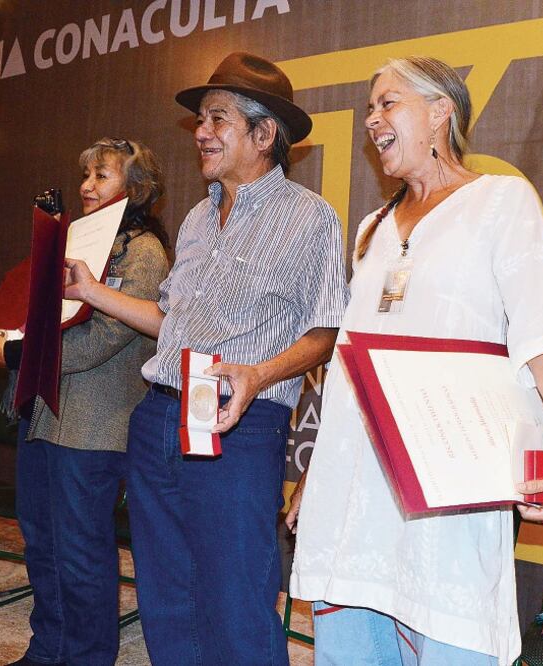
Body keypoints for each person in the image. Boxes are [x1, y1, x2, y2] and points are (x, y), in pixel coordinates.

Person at [289, 56, 543, 666]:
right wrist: (318, 473)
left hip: (448, 481)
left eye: (388, 103)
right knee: (352, 638)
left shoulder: (501, 201)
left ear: (440, 113)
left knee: (454, 634)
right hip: (354, 486)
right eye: (369, 106)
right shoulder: (372, 229)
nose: (372, 119)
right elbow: (351, 361)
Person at [63, 53, 349, 665]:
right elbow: (169, 323)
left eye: (218, 119)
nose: (200, 132)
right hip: (158, 419)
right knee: (165, 593)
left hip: (237, 426)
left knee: (236, 599)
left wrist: (259, 374)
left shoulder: (310, 218)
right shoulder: (194, 218)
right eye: (200, 119)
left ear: (264, 133)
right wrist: (92, 290)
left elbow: (326, 332)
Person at [0, 138, 170, 666]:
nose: (87, 186)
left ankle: (85, 656)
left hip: (92, 426)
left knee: (81, 553)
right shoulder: (76, 242)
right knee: (42, 544)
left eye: (102, 176)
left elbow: (101, 339)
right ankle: (48, 650)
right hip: (45, 414)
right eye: (86, 175)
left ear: (135, 188)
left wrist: (17, 353)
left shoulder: (144, 251)